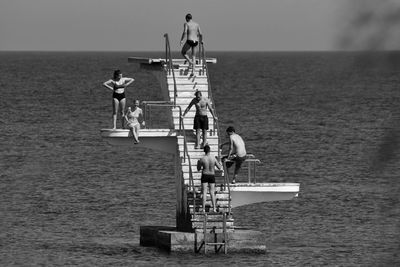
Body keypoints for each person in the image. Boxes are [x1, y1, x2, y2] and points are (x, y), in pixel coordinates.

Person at [197, 144, 222, 213]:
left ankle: (203, 209)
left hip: (205, 175)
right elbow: (219, 167)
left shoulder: (202, 159)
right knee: (212, 192)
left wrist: (198, 163)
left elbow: (198, 169)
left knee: (204, 192)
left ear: (204, 151)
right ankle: (214, 208)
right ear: (209, 150)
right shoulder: (213, 158)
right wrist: (220, 162)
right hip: (211, 175)